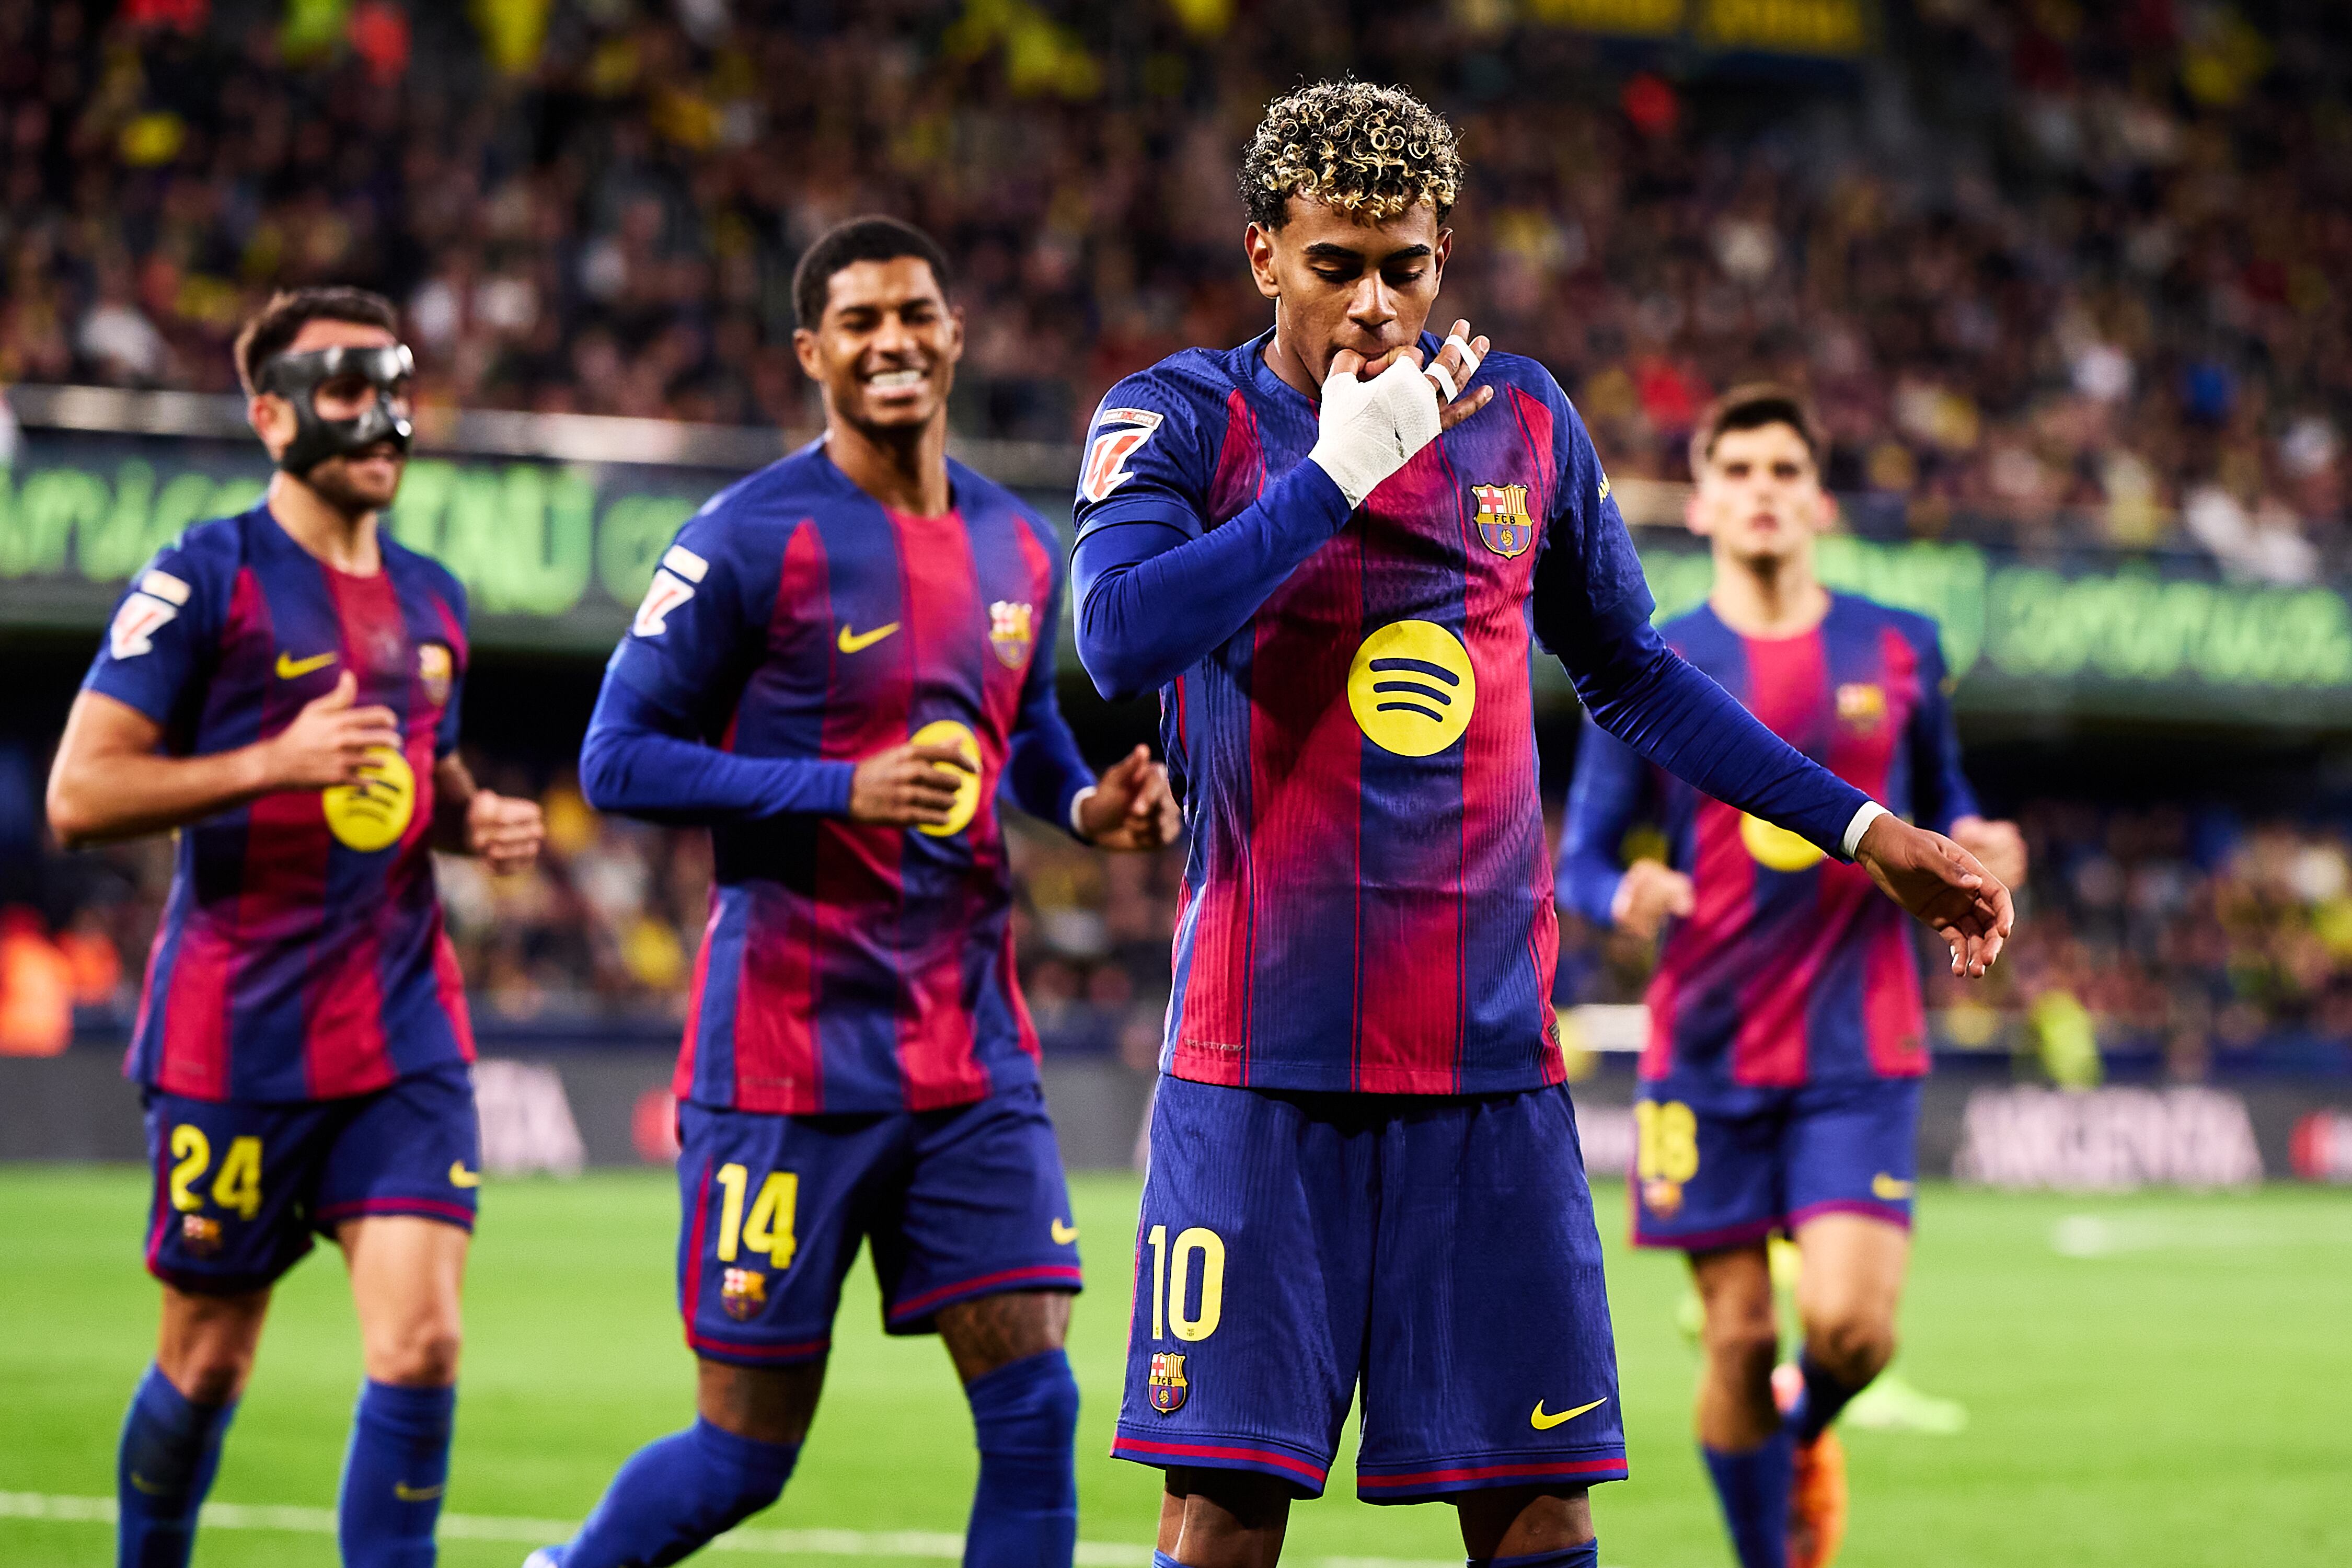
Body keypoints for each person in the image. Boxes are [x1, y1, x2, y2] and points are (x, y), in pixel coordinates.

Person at [1068, 80, 2013, 1568]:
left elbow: (1633, 673)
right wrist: (1337, 474)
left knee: (1538, 1518)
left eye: (1407, 267)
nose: (1375, 305)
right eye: (1335, 267)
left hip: (1488, 1067)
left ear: (1445, 255)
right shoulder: (1179, 417)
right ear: (1262, 256)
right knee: (1224, 1520)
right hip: (1255, 1070)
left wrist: (1863, 828)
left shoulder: (1523, 421)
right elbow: (1119, 635)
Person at [529, 216, 1182, 1568]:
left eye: (914, 314)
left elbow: (1021, 734)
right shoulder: (743, 538)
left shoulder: (1016, 543)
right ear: (810, 353)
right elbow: (617, 757)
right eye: (861, 322)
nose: (893, 341)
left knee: (1035, 1408)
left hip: (968, 1052)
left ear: (954, 334)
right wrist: (842, 789)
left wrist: (1083, 808)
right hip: (788, 1054)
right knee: (743, 1458)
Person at [45, 285, 546, 1568]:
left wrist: (471, 819)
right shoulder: (201, 578)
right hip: (237, 1037)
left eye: (396, 388)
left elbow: (410, 778)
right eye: (346, 391)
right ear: (270, 418)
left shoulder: (434, 600)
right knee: (208, 1360)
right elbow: (80, 796)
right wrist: (271, 762)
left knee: (421, 1344)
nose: (383, 417)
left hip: (401, 1025)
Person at [1554, 385, 2028, 1568]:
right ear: (1702, 502)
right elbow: (1582, 860)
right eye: (1738, 471)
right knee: (1734, 1339)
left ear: (1819, 500)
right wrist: (1624, 893)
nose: (1761, 491)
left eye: (1784, 471)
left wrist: (1984, 841)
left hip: (1858, 1042)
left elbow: (1948, 796)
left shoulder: (1900, 645)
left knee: (1852, 1329)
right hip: (1706, 1046)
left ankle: (1805, 1429)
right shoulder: (1653, 662)